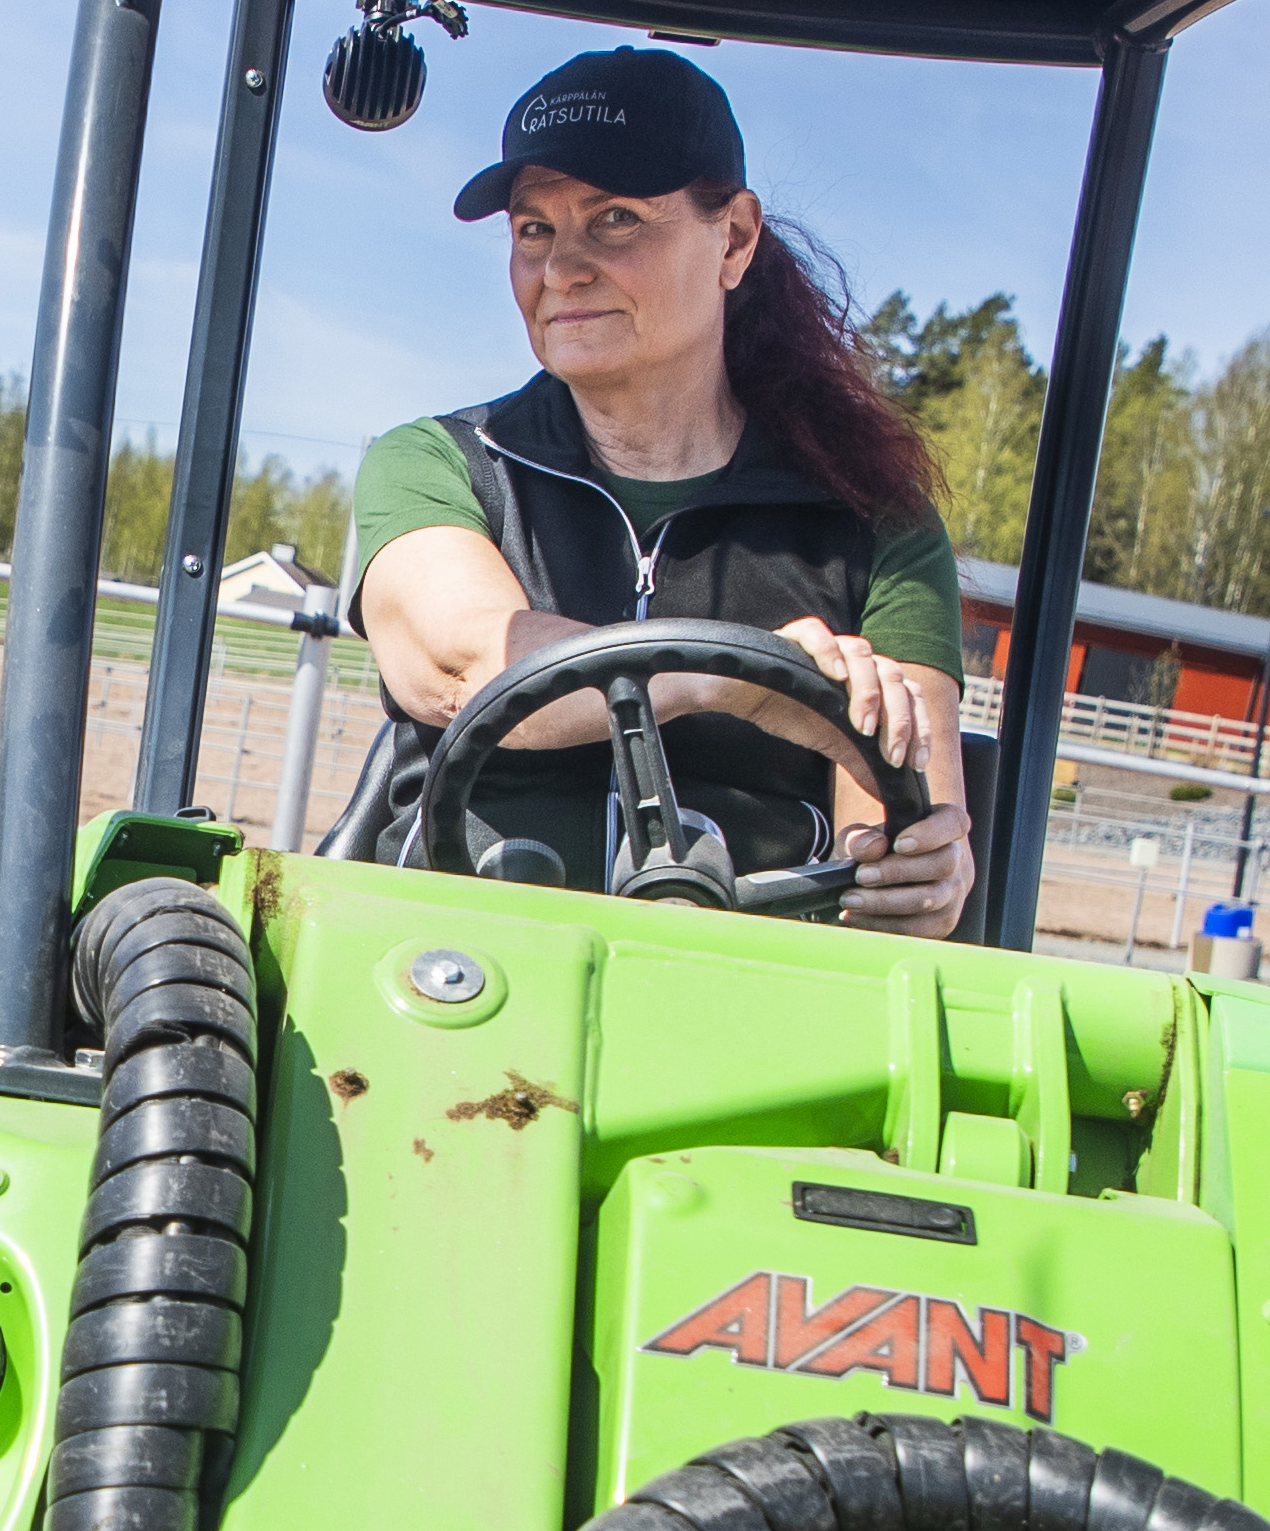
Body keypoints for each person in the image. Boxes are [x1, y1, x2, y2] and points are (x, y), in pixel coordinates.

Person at [346, 48, 977, 933]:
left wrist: (910, 885)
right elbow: (465, 666)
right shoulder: (443, 463)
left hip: (747, 1002)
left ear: (736, 239)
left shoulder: (871, 519)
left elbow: (904, 815)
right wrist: (743, 681)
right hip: (452, 967)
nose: (561, 267)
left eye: (615, 219)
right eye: (534, 229)